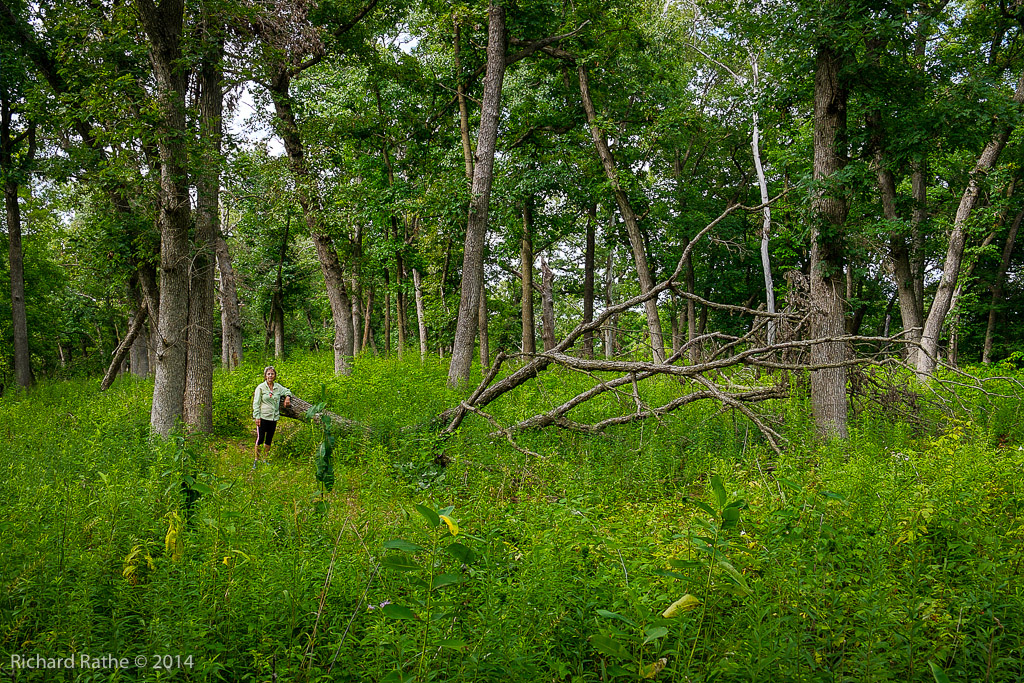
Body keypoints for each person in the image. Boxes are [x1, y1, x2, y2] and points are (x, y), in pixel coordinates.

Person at [252, 365, 292, 467]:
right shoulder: (260, 388)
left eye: (272, 374)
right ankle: (256, 460)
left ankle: (265, 459)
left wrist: (287, 397)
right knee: (260, 438)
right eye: (268, 374)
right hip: (263, 417)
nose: (270, 375)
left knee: (269, 439)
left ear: (275, 376)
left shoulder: (278, 387)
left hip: (273, 417)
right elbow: (256, 403)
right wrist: (257, 416)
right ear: (265, 376)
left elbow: (287, 391)